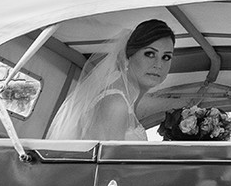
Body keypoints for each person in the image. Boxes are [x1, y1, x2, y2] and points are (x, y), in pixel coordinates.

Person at [47, 19, 175, 140]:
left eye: (166, 57)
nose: (159, 65)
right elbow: (104, 162)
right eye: (150, 54)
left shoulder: (125, 101)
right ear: (128, 55)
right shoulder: (116, 104)